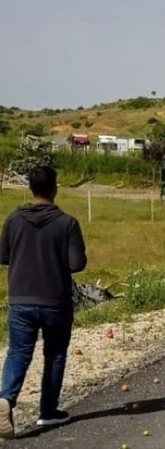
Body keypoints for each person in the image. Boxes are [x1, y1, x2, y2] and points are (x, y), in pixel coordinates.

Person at [0, 166, 87, 437]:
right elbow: (77, 263)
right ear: (55, 188)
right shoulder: (67, 223)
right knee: (55, 355)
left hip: (21, 298)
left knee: (18, 353)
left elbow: (3, 257)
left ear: (30, 188)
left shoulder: (13, 220)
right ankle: (48, 412)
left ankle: (5, 399)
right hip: (55, 300)